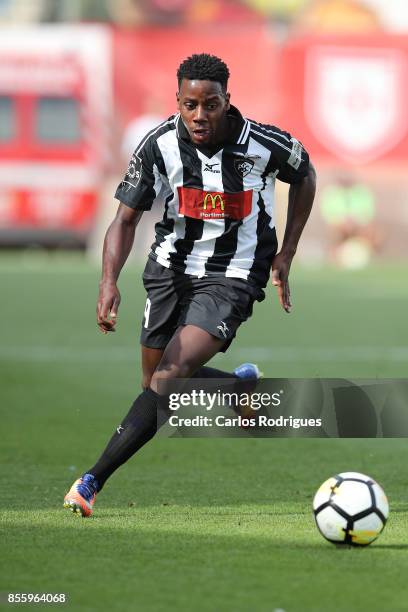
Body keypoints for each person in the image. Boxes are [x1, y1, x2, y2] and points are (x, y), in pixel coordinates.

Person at [64, 53, 316, 517]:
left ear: (226, 101)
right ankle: (235, 392)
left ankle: (91, 480)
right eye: (189, 105)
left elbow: (305, 175)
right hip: (169, 269)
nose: (200, 116)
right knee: (153, 383)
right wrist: (108, 281)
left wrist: (287, 252)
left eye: (211, 104)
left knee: (168, 381)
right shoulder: (158, 145)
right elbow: (124, 219)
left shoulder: (262, 144)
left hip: (233, 274)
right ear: (178, 102)